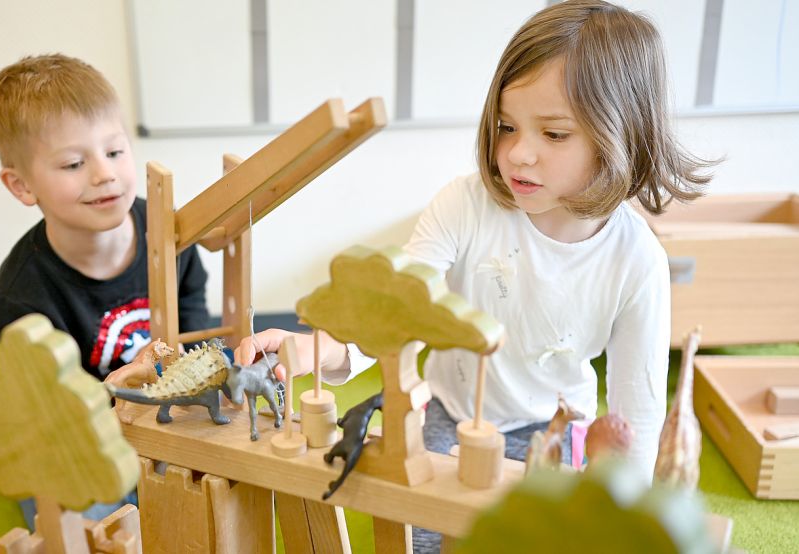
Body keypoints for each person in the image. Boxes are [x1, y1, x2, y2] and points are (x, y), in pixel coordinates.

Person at [238, 2, 715, 549]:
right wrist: (321, 350)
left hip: (557, 428)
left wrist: (630, 512)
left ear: (621, 136)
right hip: (456, 413)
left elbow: (639, 411)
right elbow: (395, 308)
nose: (518, 153)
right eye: (507, 126)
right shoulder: (464, 206)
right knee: (428, 538)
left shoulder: (638, 262)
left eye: (554, 134)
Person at [0, 53, 210, 528]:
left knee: (213, 489)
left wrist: (192, 371)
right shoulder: (22, 297)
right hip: (82, 433)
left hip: (161, 411)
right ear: (21, 185)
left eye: (115, 152)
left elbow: (194, 305)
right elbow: (30, 410)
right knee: (83, 517)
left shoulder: (168, 231)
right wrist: (114, 396)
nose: (103, 174)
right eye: (74, 163)